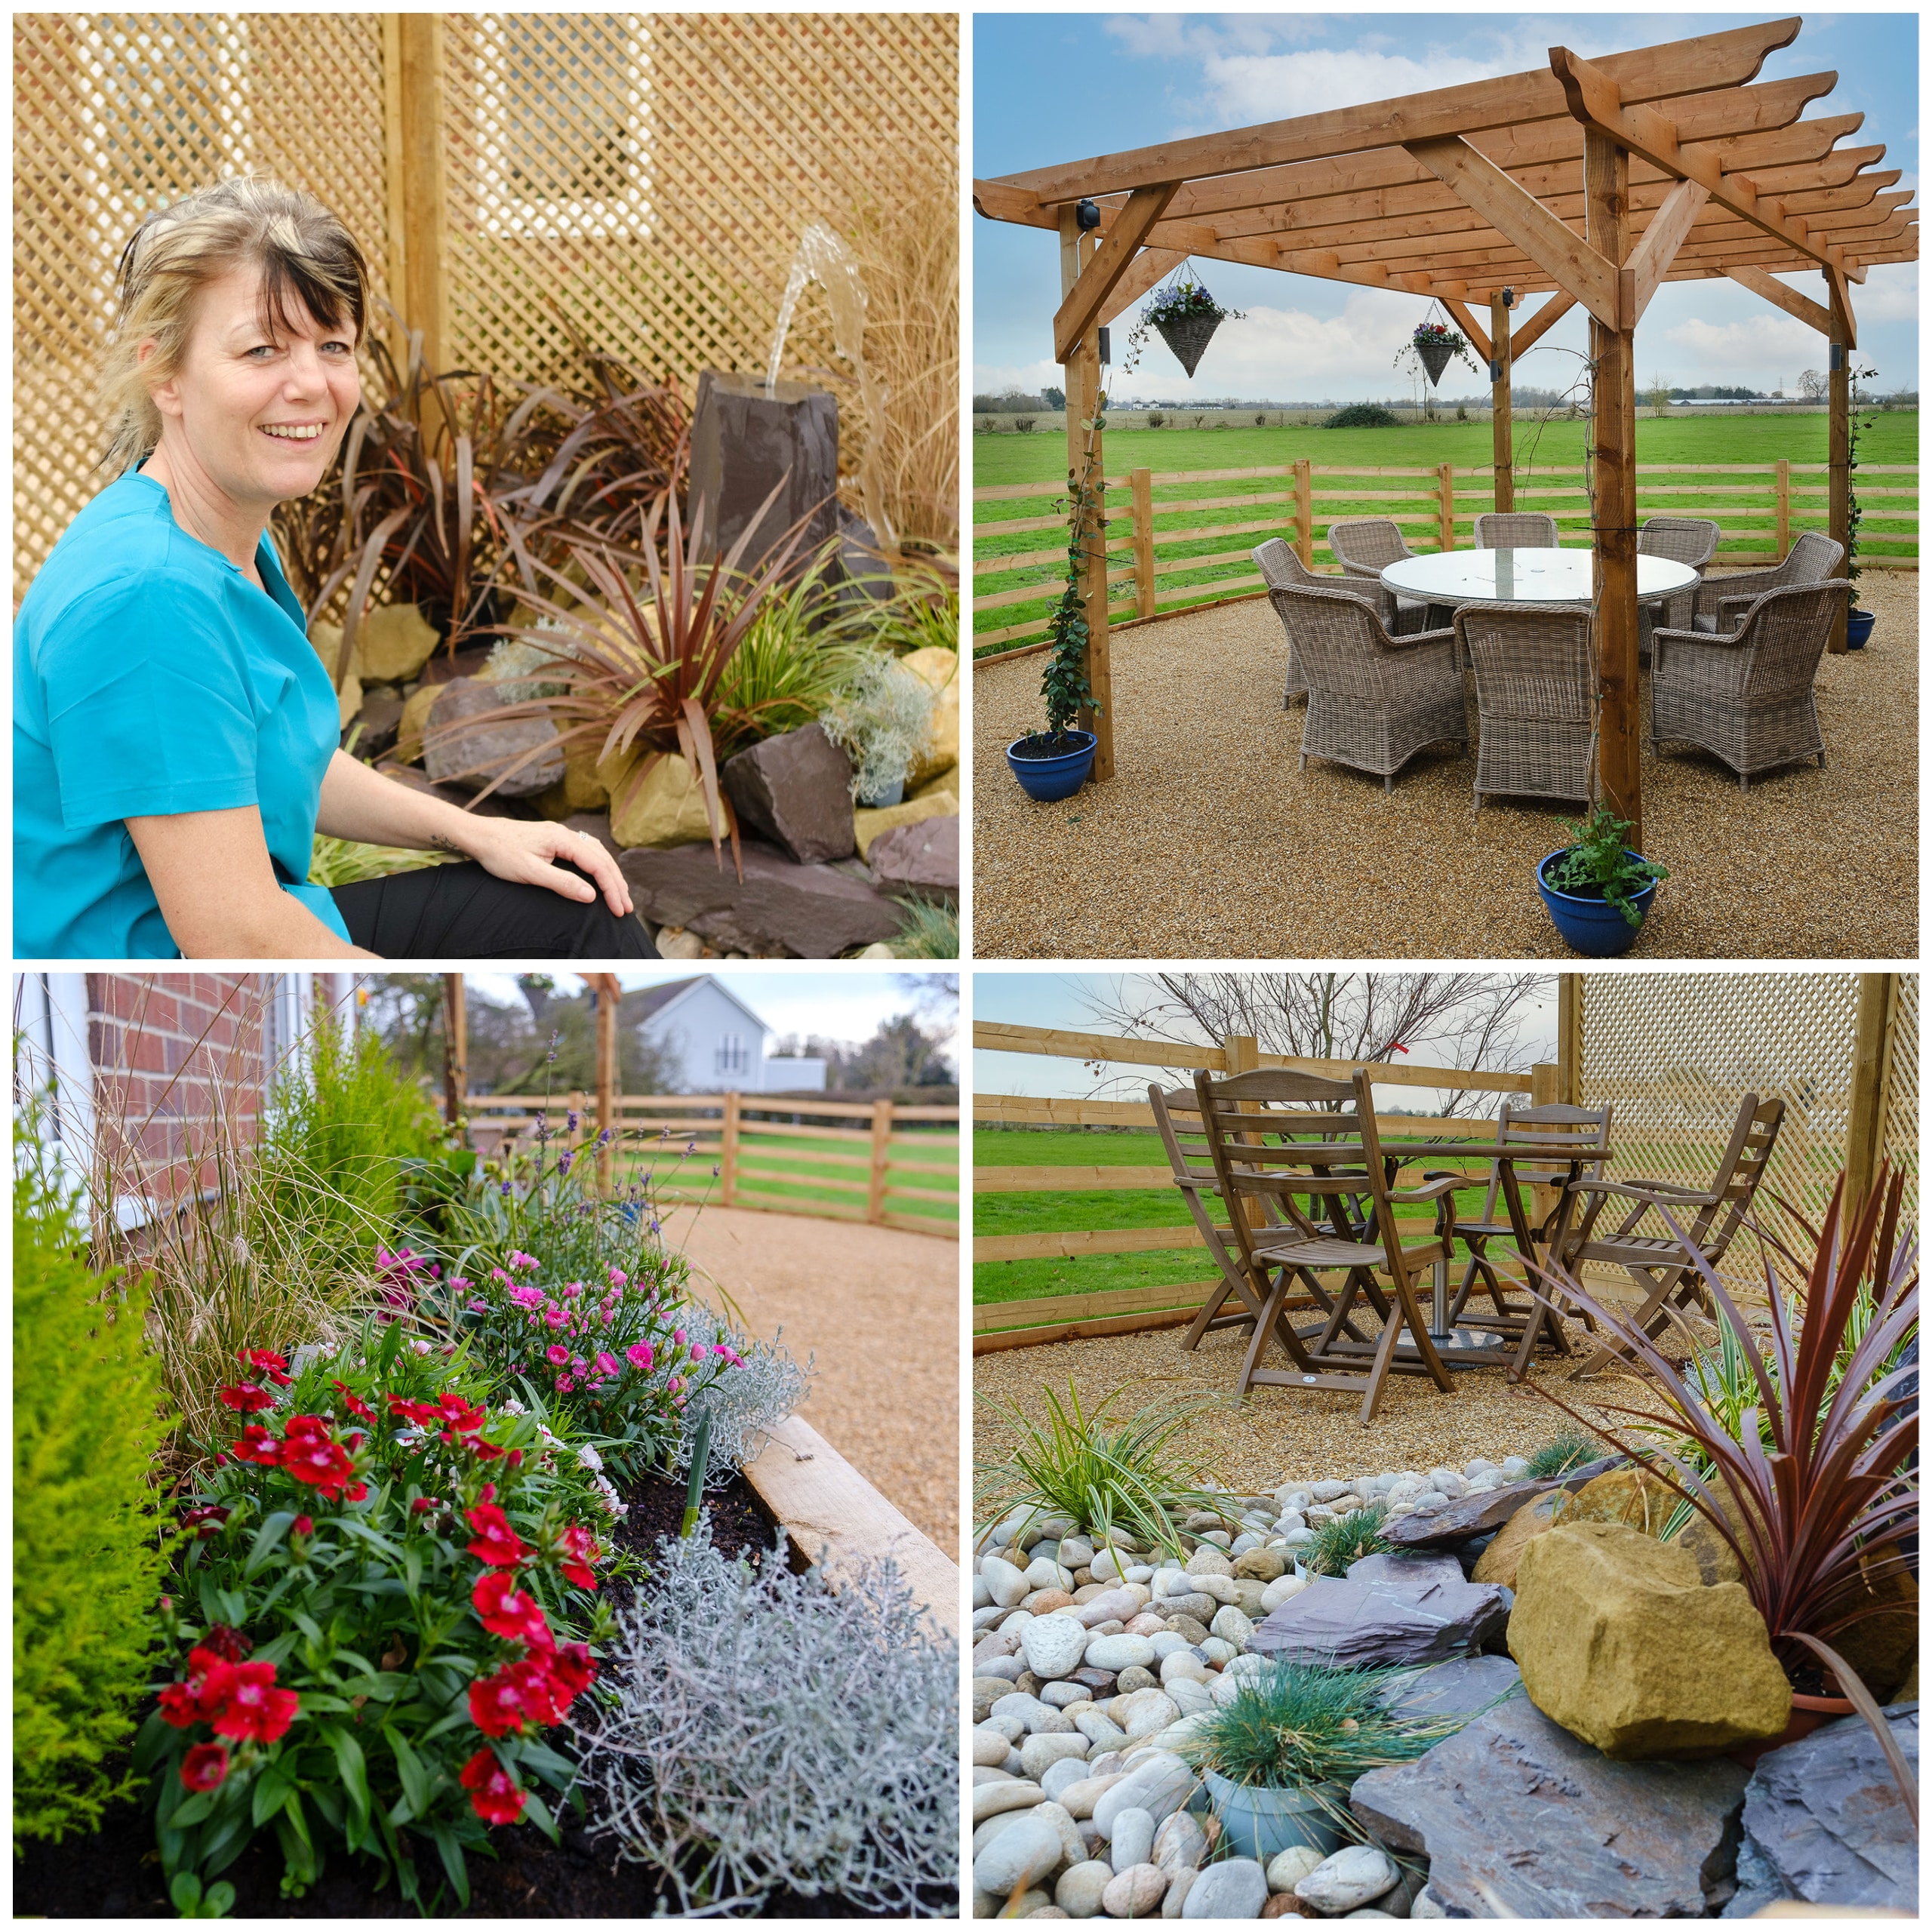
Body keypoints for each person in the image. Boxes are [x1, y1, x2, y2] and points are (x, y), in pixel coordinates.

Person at [14, 176, 656, 960]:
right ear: (165, 374)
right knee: (573, 935)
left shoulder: (217, 535)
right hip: (146, 998)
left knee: (573, 906)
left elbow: (271, 757)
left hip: (224, 942)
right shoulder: (148, 597)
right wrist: (437, 1034)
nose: (312, 384)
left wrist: (474, 831)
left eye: (333, 346)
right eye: (262, 349)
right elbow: (235, 938)